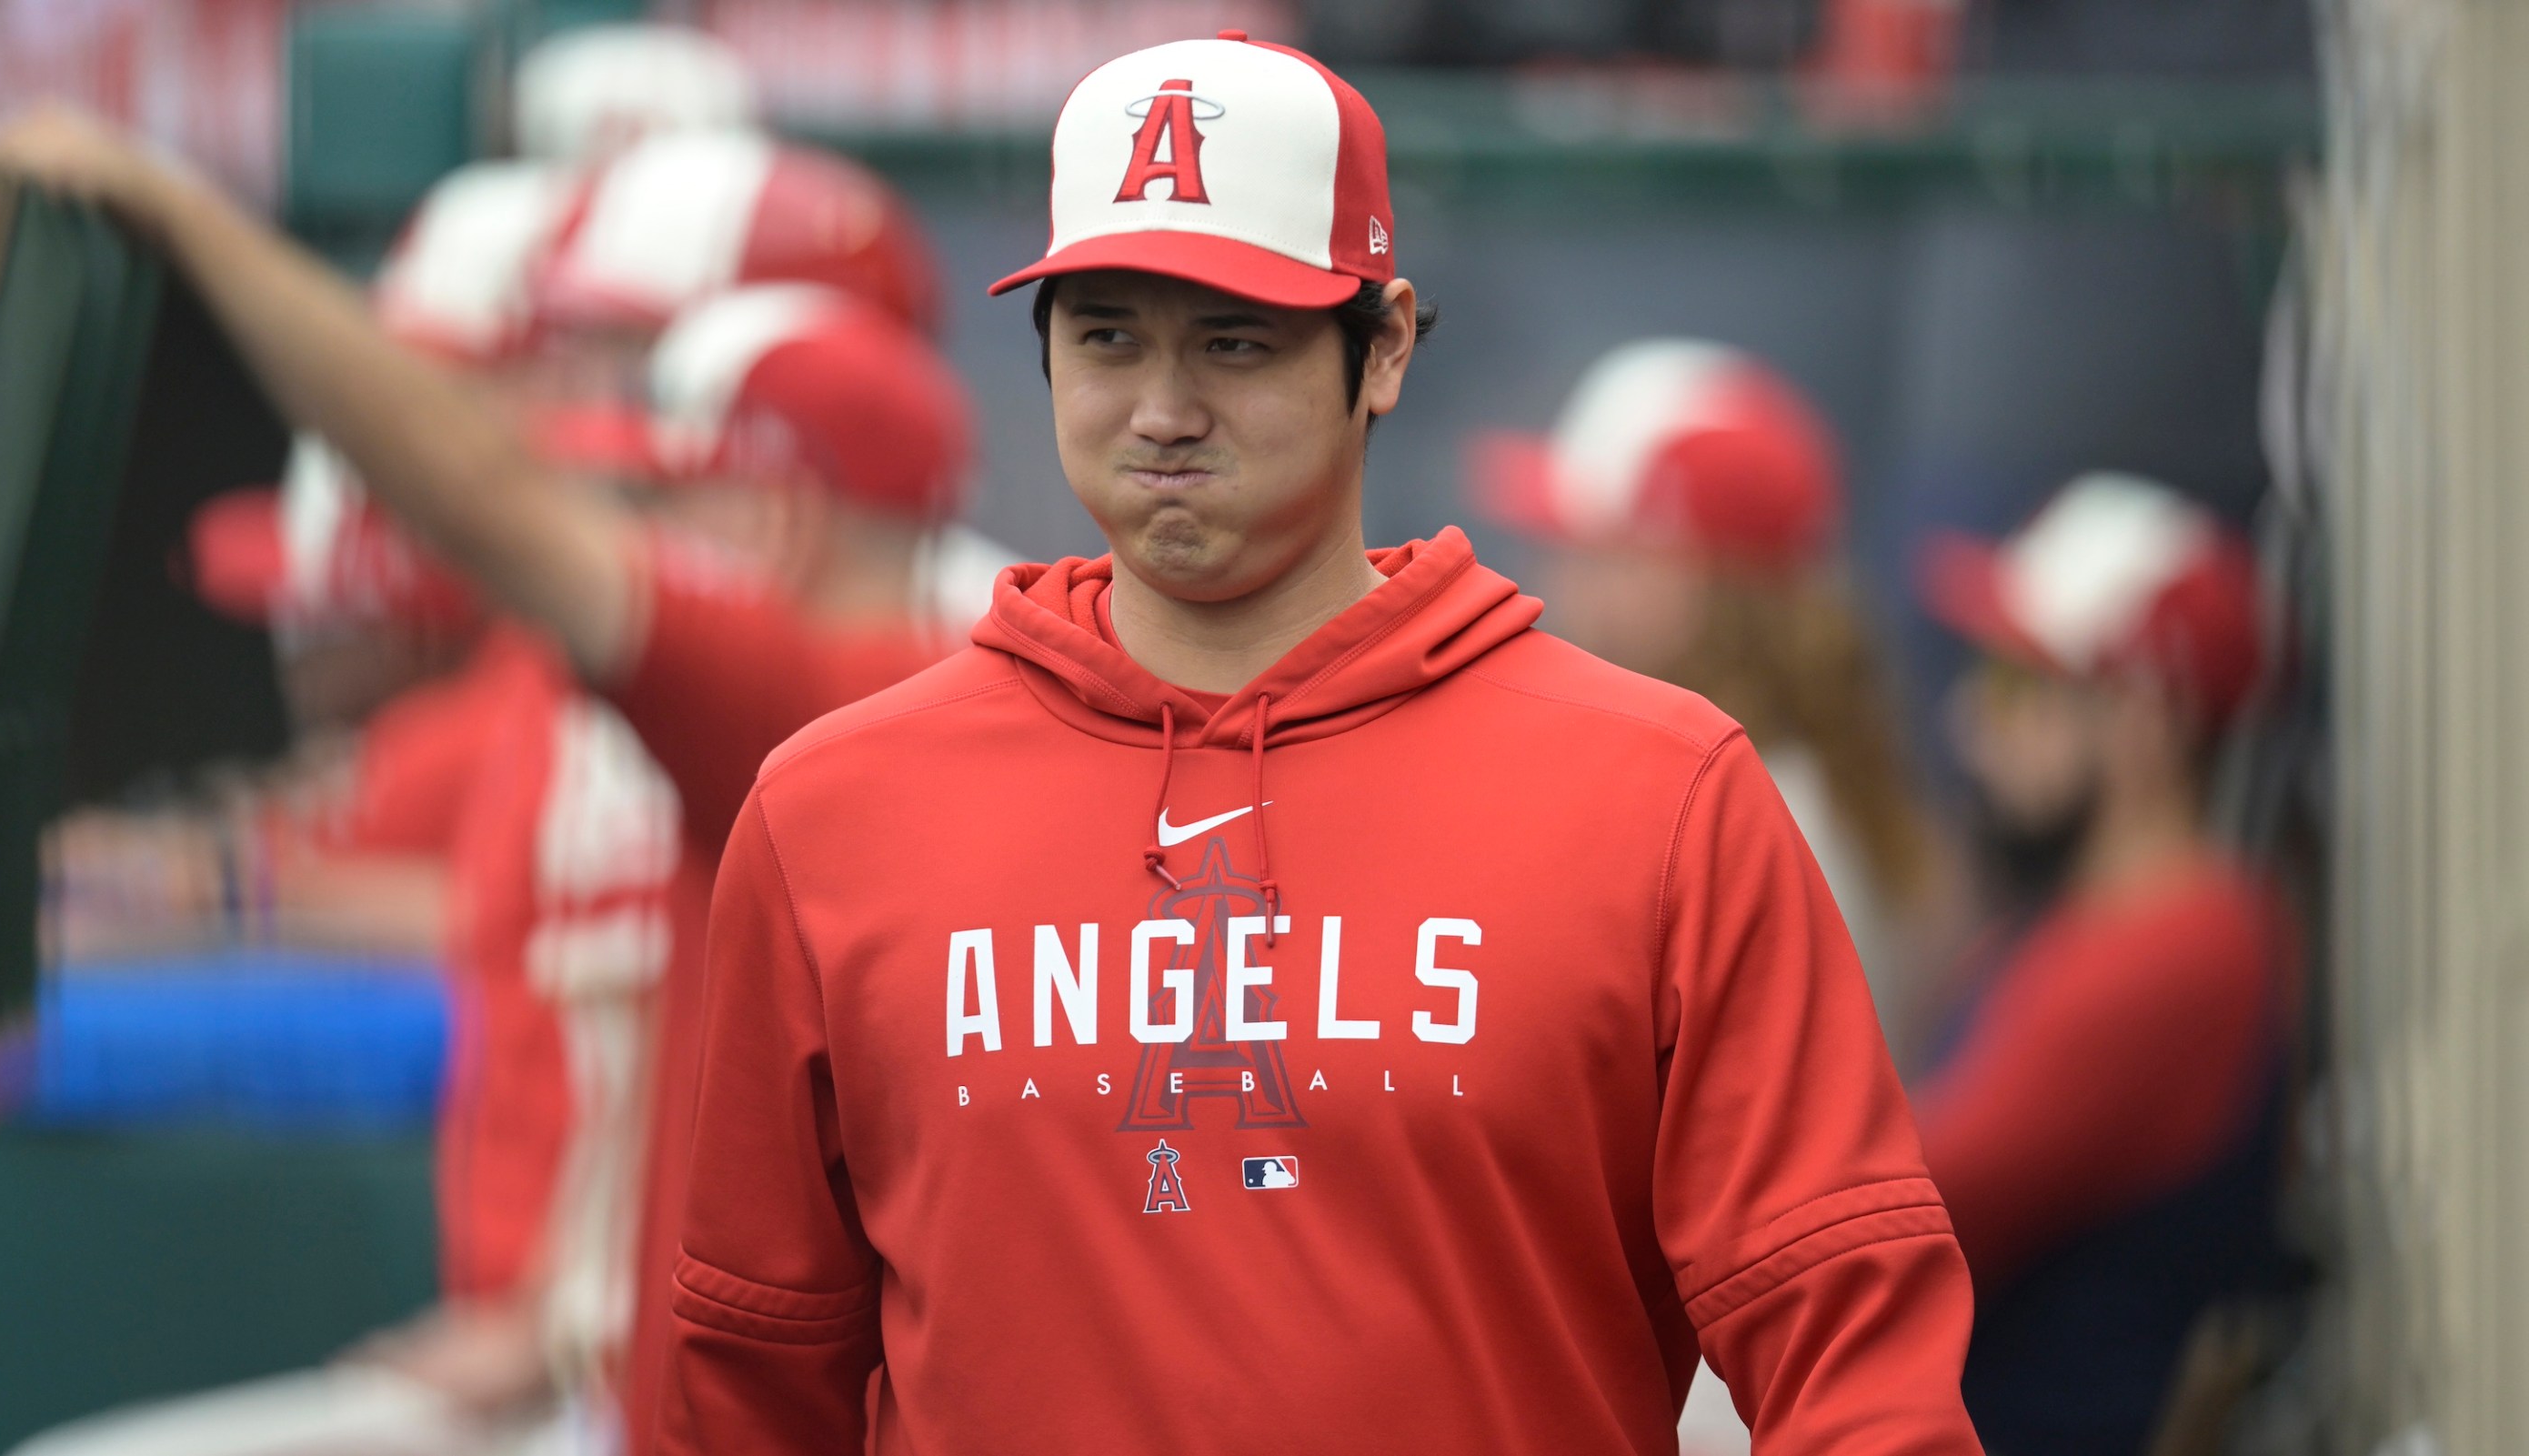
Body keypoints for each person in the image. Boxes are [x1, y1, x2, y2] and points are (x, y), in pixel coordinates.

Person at [657, 31, 1957, 1453]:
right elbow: (745, 1383)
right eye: (1107, 335)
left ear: (1384, 344)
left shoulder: (1659, 794)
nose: (1162, 409)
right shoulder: (836, 809)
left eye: (1235, 340)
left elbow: (1856, 1358)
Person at [0, 84, 967, 1456]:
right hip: (615, 1365)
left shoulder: (881, 690)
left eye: (652, 467)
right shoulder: (604, 687)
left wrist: (180, 210)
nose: (564, 419)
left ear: (775, 499)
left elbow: (493, 506)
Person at [1910, 472, 2295, 1456]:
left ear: (2144, 719)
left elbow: (1911, 1210)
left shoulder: (2174, 950)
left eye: (2014, 685)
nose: (1970, 723)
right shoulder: (2082, 924)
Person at [1469, 337, 1942, 1052]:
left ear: (1703, 584)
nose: (1555, 585)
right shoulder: (1764, 785)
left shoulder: (1757, 823)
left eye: (1600, 556)